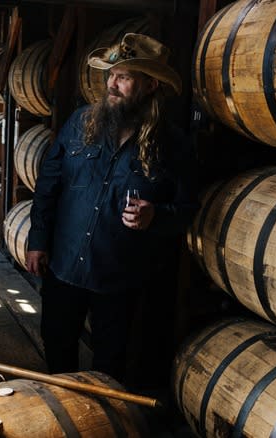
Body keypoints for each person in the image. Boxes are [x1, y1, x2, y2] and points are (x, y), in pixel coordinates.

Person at [26, 33, 198, 393]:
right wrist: (37, 240)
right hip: (65, 265)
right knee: (57, 353)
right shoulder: (80, 123)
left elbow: (186, 210)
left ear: (150, 85)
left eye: (124, 77)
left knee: (111, 366)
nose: (111, 84)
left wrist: (157, 217)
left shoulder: (174, 145)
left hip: (120, 278)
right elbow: (48, 185)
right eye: (111, 74)